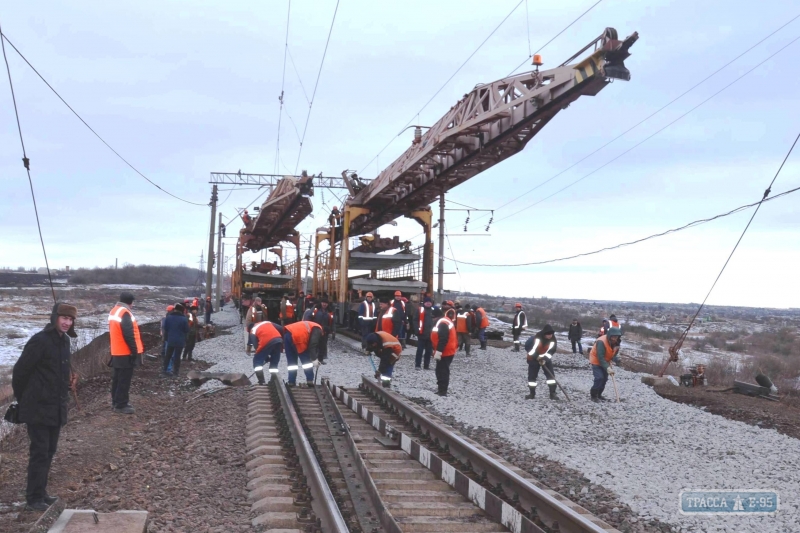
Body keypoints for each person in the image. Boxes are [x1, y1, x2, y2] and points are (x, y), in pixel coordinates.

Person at [12, 302, 77, 511]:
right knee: (39, 452)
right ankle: (33, 498)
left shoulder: (64, 341)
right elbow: (20, 372)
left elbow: (58, 373)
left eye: (70, 319)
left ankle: (41, 493)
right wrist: (26, 399)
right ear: (54, 318)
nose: (67, 322)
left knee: (49, 451)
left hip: (56, 407)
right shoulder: (39, 341)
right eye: (63, 318)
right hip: (38, 408)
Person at [108, 292, 143, 414]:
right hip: (125, 352)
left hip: (117, 351)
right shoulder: (125, 313)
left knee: (117, 379)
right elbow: (129, 334)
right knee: (124, 380)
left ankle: (116, 402)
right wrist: (134, 351)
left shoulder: (114, 310)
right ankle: (121, 405)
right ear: (131, 302)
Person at [284, 321, 323, 386]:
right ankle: (309, 380)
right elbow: (312, 344)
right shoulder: (318, 329)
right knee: (306, 361)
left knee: (291, 362)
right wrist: (314, 359)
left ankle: (291, 381)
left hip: (287, 334)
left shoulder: (311, 325)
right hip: (298, 337)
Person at [524, 325, 558, 400]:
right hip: (533, 358)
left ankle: (552, 393)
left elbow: (552, 351)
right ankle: (531, 394)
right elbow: (528, 348)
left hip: (545, 359)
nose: (550, 336)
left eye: (551, 334)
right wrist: (537, 357)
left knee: (551, 376)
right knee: (532, 377)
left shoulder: (553, 340)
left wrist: (545, 359)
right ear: (544, 334)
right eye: (548, 334)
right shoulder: (535, 338)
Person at [589, 327, 622, 402]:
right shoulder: (601, 342)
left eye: (616, 337)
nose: (614, 339)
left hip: (606, 361)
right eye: (613, 337)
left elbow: (613, 353)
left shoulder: (617, 343)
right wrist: (607, 368)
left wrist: (615, 359)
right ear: (609, 335)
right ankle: (593, 396)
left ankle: (599, 395)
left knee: (604, 379)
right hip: (596, 360)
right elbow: (600, 357)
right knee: (599, 378)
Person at [431, 307, 457, 396]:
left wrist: (438, 351)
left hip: (445, 352)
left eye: (433, 317)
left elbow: (443, 339)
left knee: (442, 371)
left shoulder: (442, 323)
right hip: (449, 350)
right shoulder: (445, 321)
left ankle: (442, 391)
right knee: (442, 370)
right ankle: (441, 389)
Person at [250, 320, 285, 385]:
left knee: (257, 361)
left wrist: (264, 357)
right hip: (278, 341)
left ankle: (261, 381)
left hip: (266, 342)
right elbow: (281, 329)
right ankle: (274, 379)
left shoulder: (253, 330)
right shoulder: (267, 322)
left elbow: (256, 346)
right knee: (274, 361)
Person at [163, 303, 188, 377]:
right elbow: (186, 330)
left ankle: (164, 371)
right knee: (177, 357)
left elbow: (166, 328)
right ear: (181, 311)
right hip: (180, 341)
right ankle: (175, 372)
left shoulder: (169, 317)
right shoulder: (184, 319)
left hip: (170, 340)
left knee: (168, 356)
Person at [311, 298, 335, 364]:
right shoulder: (315, 310)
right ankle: (313, 359)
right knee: (315, 345)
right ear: (321, 303)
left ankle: (320, 359)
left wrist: (333, 331)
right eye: (323, 303)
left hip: (325, 331)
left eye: (326, 303)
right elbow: (311, 319)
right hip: (316, 330)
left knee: (323, 346)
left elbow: (332, 322)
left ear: (328, 304)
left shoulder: (330, 312)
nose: (324, 304)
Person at [413, 297, 434, 369]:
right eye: (427, 302)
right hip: (421, 333)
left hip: (431, 334)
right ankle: (417, 365)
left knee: (429, 351)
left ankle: (426, 365)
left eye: (429, 302)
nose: (428, 303)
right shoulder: (419, 310)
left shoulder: (434, 311)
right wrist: (417, 330)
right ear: (424, 303)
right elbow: (415, 320)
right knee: (420, 350)